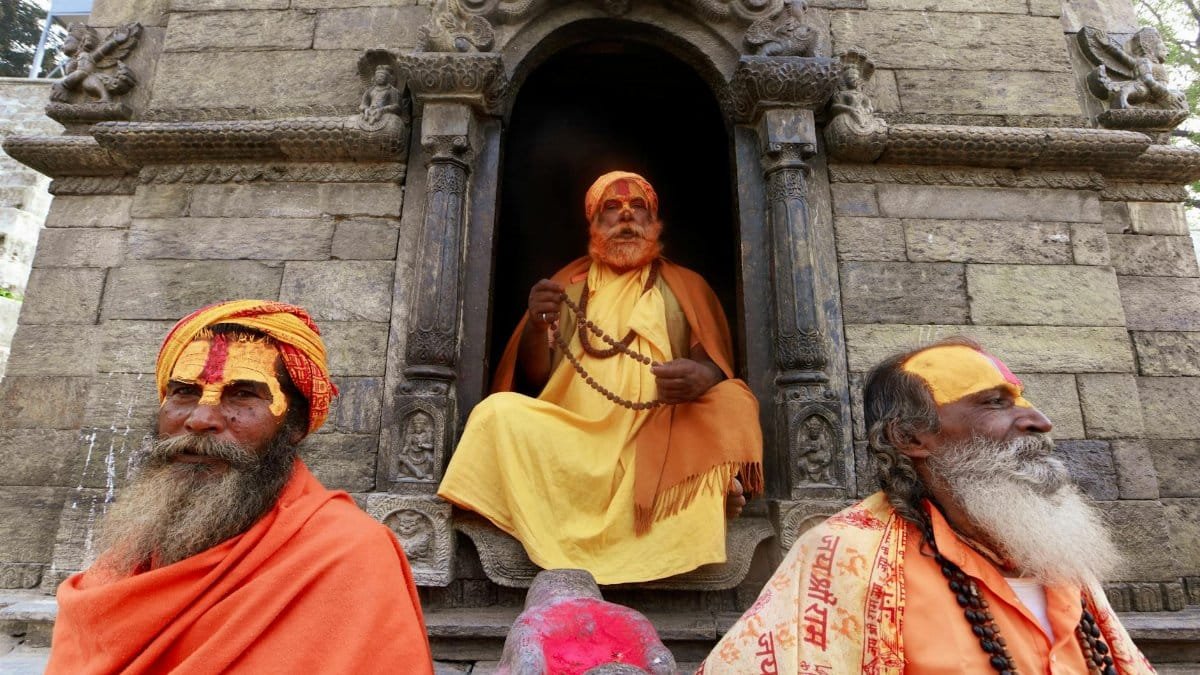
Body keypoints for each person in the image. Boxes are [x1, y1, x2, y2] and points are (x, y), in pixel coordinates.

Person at [699, 338, 1153, 674]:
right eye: (995, 403)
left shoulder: (1057, 554)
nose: (1039, 421)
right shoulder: (844, 556)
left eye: (1023, 402)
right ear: (911, 437)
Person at [45, 300, 434, 675]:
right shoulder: (135, 547)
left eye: (243, 394)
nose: (200, 419)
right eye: (184, 392)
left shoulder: (347, 553)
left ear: (295, 425)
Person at [439, 171, 763, 584]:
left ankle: (712, 487)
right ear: (594, 224)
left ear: (654, 222)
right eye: (612, 208)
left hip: (658, 436)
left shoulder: (686, 285)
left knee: (733, 400)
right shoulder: (567, 285)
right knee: (495, 414)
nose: (626, 217)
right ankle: (708, 494)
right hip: (574, 439)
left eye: (638, 209)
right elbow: (536, 377)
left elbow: (715, 365)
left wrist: (702, 375)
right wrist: (539, 324)